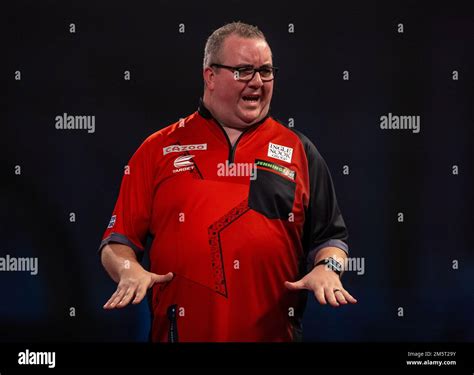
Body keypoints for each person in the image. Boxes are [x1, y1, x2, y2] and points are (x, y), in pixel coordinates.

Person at [99, 21, 357, 342]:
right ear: (210, 76)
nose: (257, 82)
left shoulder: (299, 151)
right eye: (244, 71)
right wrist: (128, 270)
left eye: (265, 71)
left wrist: (328, 268)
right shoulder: (157, 149)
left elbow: (331, 240)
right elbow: (116, 243)